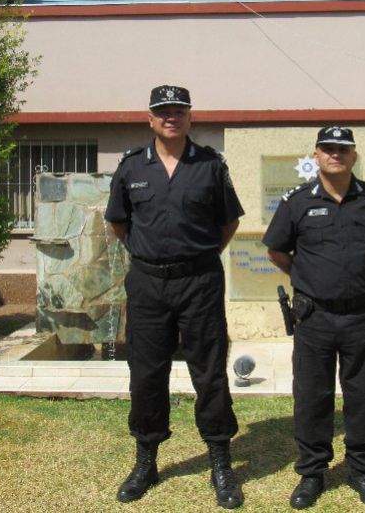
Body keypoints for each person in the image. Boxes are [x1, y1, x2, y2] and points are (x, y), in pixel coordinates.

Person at [105, 85, 244, 509]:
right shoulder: (131, 167)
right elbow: (118, 224)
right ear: (150, 118)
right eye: (162, 111)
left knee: (210, 372)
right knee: (146, 373)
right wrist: (153, 259)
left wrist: (195, 259)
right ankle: (146, 460)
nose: (171, 117)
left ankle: (221, 460)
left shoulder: (210, 166)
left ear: (190, 117)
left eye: (178, 111)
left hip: (200, 282)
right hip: (147, 284)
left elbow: (227, 223)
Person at [263, 127, 365, 509]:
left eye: (343, 149)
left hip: (362, 316)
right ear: (316, 155)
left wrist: (364, 274)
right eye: (328, 149)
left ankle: (362, 470)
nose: (335, 155)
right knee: (313, 396)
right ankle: (312, 473)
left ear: (353, 156)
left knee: (363, 395)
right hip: (315, 318)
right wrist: (309, 278)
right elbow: (277, 251)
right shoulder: (296, 202)